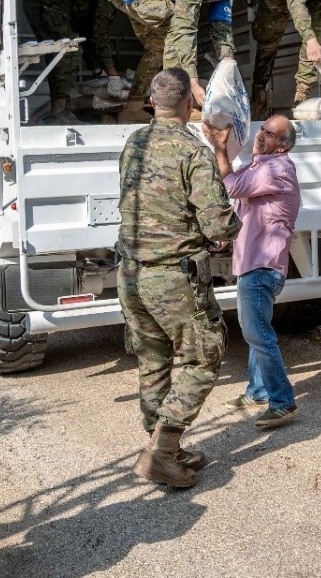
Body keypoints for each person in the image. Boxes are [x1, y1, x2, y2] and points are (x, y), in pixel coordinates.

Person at [116, 69, 242, 489]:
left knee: (152, 361)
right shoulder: (193, 151)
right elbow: (219, 225)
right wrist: (230, 229)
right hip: (173, 278)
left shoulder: (134, 143)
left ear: (152, 102)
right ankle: (162, 453)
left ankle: (162, 443)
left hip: (131, 275)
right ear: (191, 104)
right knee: (203, 358)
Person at [204, 115, 302, 429]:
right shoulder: (261, 166)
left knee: (258, 334)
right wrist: (224, 238)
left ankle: (283, 402)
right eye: (262, 129)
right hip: (256, 264)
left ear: (283, 144)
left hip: (262, 266)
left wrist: (220, 151)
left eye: (271, 134)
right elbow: (243, 208)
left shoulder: (277, 168)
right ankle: (259, 391)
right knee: (257, 331)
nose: (261, 136)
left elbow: (230, 186)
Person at [105, 0, 253, 117]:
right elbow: (184, 31)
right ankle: (173, 110)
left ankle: (132, 107)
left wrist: (228, 60)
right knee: (174, 28)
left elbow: (222, 25)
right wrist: (193, 83)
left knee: (157, 49)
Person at [21, 0, 124, 124]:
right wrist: (113, 75)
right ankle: (60, 113)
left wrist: (96, 68)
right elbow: (99, 35)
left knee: (55, 54)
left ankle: (60, 110)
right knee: (67, 52)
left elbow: (88, 33)